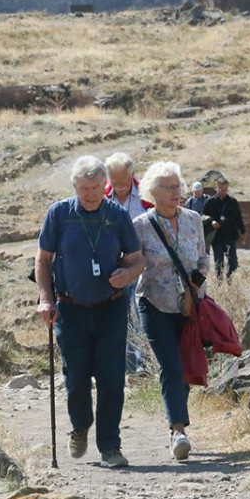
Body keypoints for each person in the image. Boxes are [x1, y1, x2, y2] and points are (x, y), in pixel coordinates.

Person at [36, 156, 145, 469]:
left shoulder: (116, 215)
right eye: (84, 188)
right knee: (77, 378)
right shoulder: (59, 214)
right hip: (70, 309)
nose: (91, 194)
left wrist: (128, 276)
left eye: (96, 187)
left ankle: (110, 447)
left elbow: (137, 259)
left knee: (112, 378)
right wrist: (46, 299)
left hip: (111, 307)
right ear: (75, 187)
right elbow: (43, 261)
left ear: (104, 185)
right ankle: (80, 426)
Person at [132, 162, 210, 461]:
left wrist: (199, 278)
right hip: (154, 303)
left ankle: (177, 424)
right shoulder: (140, 225)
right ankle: (178, 431)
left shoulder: (193, 219)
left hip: (188, 305)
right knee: (171, 365)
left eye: (178, 186)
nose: (176, 191)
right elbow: (133, 262)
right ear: (153, 192)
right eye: (168, 187)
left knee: (186, 365)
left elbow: (203, 256)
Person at [104, 152, 154, 374]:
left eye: (124, 182)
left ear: (132, 174)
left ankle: (141, 362)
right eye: (115, 182)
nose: (120, 187)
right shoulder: (102, 197)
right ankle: (123, 362)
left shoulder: (147, 195)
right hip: (112, 268)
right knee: (117, 316)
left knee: (138, 313)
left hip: (143, 266)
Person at [202, 178, 246, 279]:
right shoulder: (210, 202)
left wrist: (243, 232)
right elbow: (202, 216)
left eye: (225, 190)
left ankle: (230, 279)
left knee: (233, 261)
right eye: (221, 189)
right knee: (219, 262)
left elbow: (238, 217)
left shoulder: (232, 201)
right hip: (216, 237)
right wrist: (211, 221)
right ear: (216, 188)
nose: (223, 192)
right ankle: (219, 283)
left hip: (230, 235)